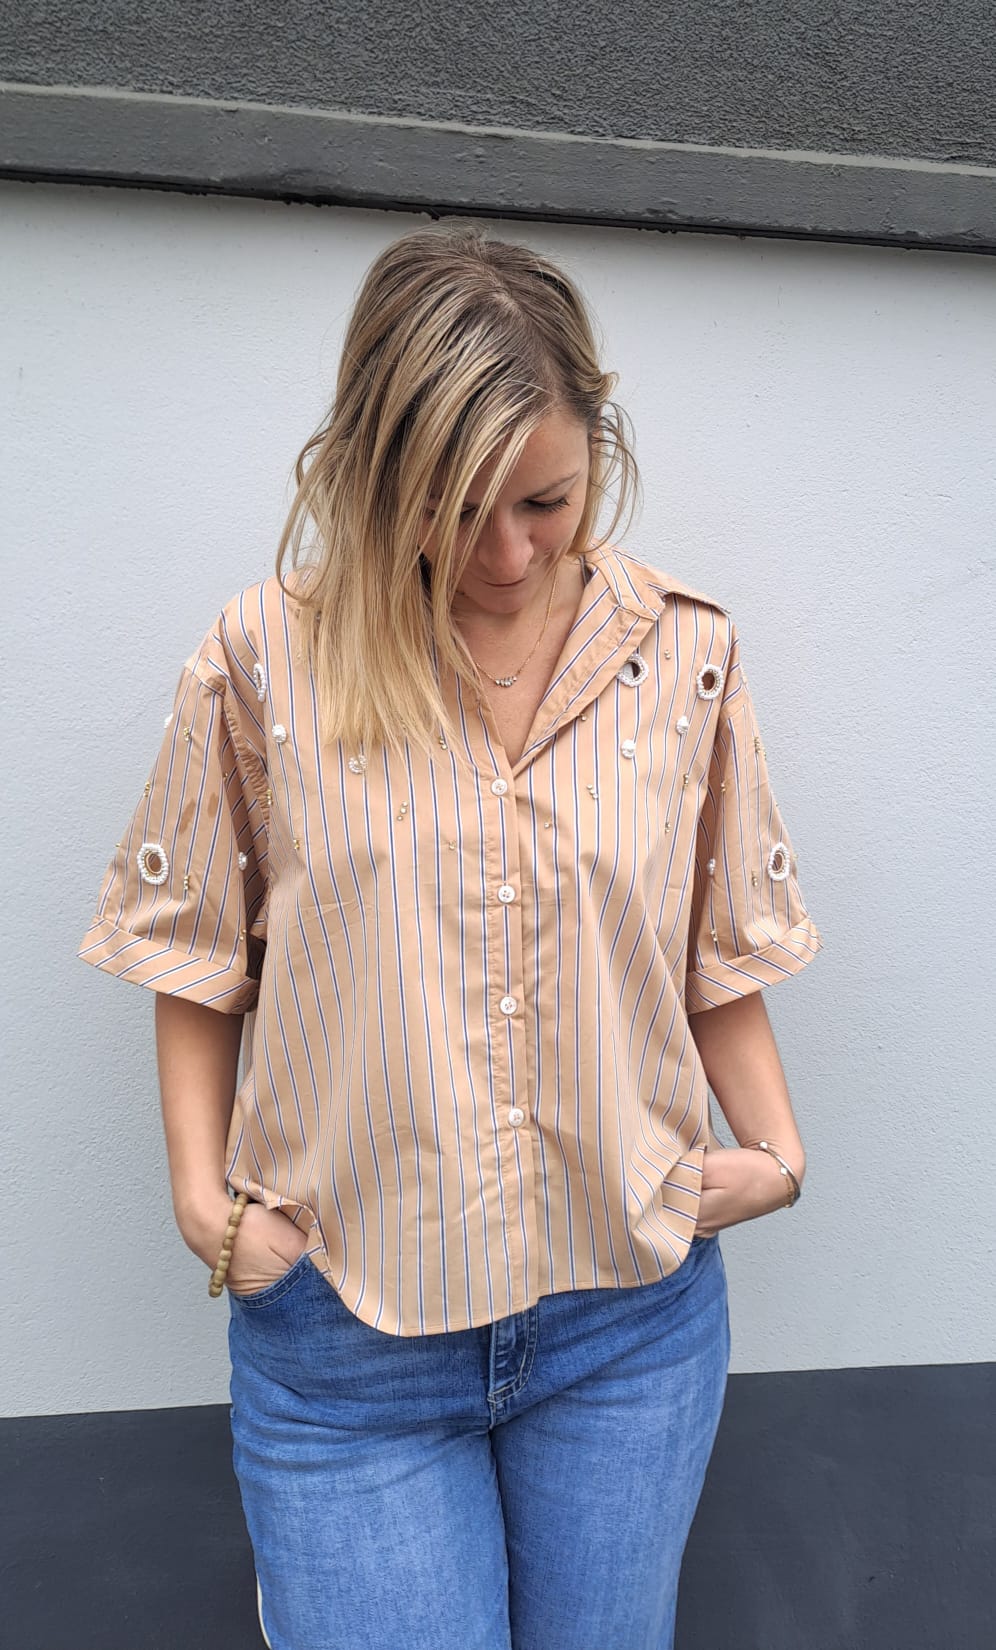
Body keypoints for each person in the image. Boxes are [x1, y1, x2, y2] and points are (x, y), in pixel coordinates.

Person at [78, 224, 823, 1650]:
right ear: (378, 469)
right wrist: (202, 1201)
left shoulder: (682, 655)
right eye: (454, 504)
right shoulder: (268, 659)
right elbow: (192, 943)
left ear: (598, 443)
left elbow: (710, 944)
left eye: (546, 500)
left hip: (629, 1326)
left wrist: (779, 1153)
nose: (506, 550)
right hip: (346, 1340)